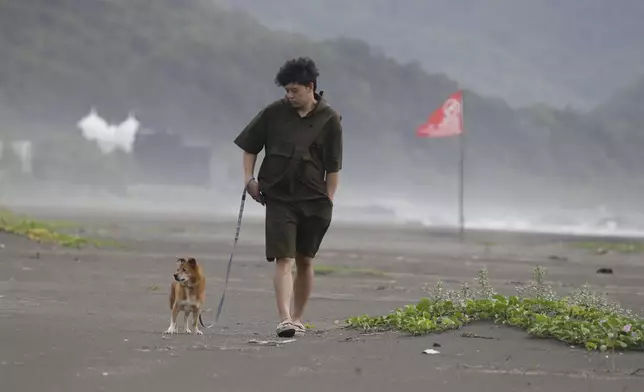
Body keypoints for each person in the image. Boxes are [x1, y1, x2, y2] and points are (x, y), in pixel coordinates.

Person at [233, 57, 343, 338]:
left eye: (294, 90)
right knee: (284, 258)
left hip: (314, 200)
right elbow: (250, 146)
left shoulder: (330, 119)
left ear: (310, 87)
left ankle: (298, 317)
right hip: (280, 197)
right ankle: (284, 319)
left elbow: (334, 166)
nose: (289, 96)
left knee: (305, 259)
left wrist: (329, 199)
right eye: (286, 91)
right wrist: (249, 178)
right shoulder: (273, 113)